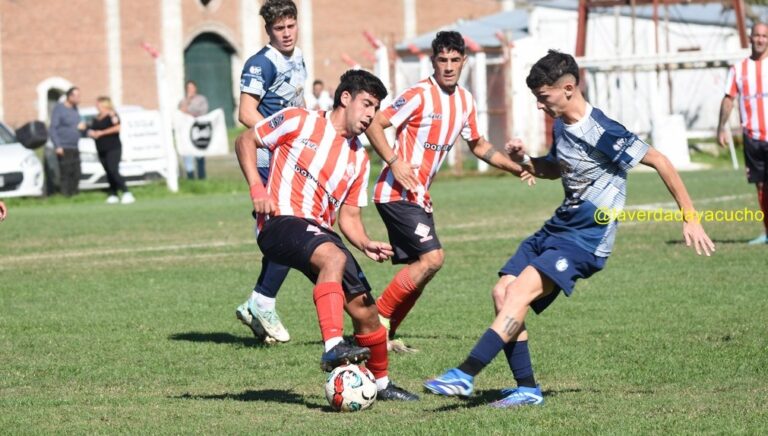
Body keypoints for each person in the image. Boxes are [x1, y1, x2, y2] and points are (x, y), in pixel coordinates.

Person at [423, 50, 715, 408]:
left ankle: (465, 373)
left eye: (543, 98)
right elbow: (556, 168)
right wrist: (526, 161)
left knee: (518, 295)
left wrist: (690, 215)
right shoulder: (561, 121)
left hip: (587, 237)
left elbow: (660, 161)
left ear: (568, 88)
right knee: (503, 291)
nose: (539, 106)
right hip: (560, 226)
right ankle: (527, 389)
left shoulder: (603, 131)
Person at [235, 69, 418, 401]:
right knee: (333, 256)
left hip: (320, 233)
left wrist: (363, 242)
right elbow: (245, 140)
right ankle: (333, 346)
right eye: (366, 105)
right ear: (345, 98)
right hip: (279, 221)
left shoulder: (358, 158)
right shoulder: (298, 120)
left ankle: (381, 383)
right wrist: (256, 187)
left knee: (366, 309)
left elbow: (348, 217)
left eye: (375, 109)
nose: (370, 116)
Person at [364, 31, 531, 352]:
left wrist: (515, 167)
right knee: (433, 259)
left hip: (419, 197)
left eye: (455, 60)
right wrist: (395, 161)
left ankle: (386, 335)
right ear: (433, 61)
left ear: (464, 62)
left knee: (422, 272)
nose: (449, 66)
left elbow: (479, 145)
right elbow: (373, 123)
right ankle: (375, 324)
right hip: (395, 192)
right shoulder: (418, 94)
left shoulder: (466, 101)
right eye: (443, 60)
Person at [234, 0, 308, 344]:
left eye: (291, 25)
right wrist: (281, 131)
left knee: (288, 233)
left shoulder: (299, 57)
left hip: (290, 160)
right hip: (266, 163)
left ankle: (257, 303)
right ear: (270, 31)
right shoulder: (260, 63)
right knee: (288, 232)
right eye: (280, 28)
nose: (287, 33)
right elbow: (246, 112)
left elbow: (297, 104)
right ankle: (262, 303)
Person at [718, 22, 768, 245]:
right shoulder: (738, 69)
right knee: (760, 186)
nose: (760, 40)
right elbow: (729, 99)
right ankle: (767, 232)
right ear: (750, 38)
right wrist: (721, 127)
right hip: (752, 137)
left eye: (764, 36)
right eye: (756, 35)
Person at [87, 96, 134, 204]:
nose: (96, 106)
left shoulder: (112, 115)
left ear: (104, 104)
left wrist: (102, 133)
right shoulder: (96, 117)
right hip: (101, 148)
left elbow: (117, 127)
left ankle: (126, 192)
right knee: (107, 171)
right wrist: (91, 133)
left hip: (113, 147)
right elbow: (93, 129)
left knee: (113, 169)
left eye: (98, 104)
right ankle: (113, 193)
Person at [50, 87, 84, 197]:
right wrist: (58, 146)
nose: (79, 98)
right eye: (76, 96)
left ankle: (75, 195)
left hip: (74, 146)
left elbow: (76, 124)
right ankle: (65, 195)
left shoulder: (75, 109)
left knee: (77, 172)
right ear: (70, 96)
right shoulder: (59, 109)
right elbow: (53, 128)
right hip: (64, 146)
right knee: (66, 172)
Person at [178, 80, 209, 180]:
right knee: (188, 157)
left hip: (198, 132)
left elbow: (202, 112)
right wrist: (188, 101)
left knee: (199, 156)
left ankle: (202, 178)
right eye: (188, 88)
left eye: (192, 88)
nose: (190, 90)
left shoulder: (201, 99)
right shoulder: (183, 101)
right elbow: (180, 113)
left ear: (195, 88)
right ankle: (190, 178)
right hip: (186, 133)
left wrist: (189, 114)